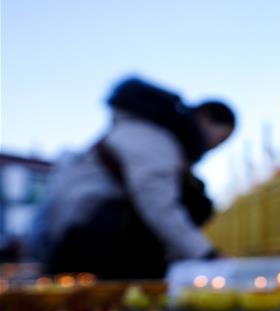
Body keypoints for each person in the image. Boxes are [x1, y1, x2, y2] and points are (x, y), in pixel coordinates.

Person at [37, 76, 236, 279]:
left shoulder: (153, 136)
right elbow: (159, 208)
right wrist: (208, 255)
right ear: (205, 117)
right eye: (219, 139)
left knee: (197, 198)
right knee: (196, 201)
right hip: (81, 242)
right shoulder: (155, 139)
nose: (213, 148)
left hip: (84, 235)